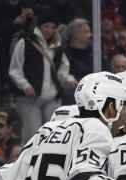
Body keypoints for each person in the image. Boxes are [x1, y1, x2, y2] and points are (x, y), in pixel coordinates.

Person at [8, 7, 77, 142]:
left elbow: (62, 69)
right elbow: (15, 69)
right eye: (46, 26)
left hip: (51, 97)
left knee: (55, 133)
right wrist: (25, 86)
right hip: (29, 99)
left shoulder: (57, 46)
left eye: (52, 27)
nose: (49, 30)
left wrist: (68, 80)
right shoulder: (25, 42)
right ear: (39, 26)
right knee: (32, 136)